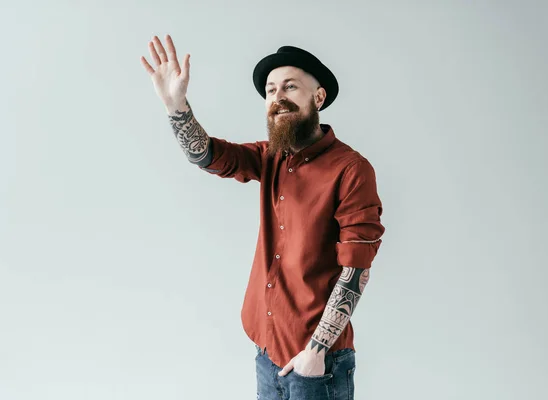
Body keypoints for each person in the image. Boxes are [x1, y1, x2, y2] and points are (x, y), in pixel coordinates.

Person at [141, 34, 385, 400]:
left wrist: (315, 353)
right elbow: (207, 155)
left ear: (318, 98)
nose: (278, 97)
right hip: (267, 352)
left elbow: (356, 270)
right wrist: (176, 107)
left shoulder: (351, 170)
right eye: (271, 90)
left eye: (290, 86)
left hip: (316, 364)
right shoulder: (271, 156)